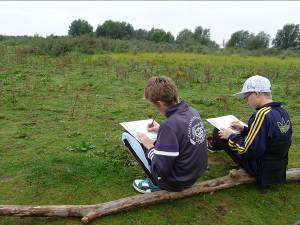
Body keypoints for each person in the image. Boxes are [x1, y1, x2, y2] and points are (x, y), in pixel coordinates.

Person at [122, 76, 208, 193]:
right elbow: (185, 133)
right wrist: (159, 130)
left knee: (126, 136)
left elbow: (161, 168)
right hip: (195, 173)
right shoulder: (193, 111)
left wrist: (149, 145)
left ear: (160, 103)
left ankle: (155, 184)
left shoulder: (169, 125)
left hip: (176, 182)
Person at [208, 75, 292, 188]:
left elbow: (247, 150)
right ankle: (214, 145)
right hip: (279, 166)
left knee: (219, 131)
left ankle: (212, 146)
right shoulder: (282, 111)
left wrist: (230, 136)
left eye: (246, 97)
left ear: (257, 93)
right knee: (233, 133)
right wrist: (244, 129)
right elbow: (271, 136)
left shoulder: (261, 114)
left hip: (261, 169)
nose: (246, 101)